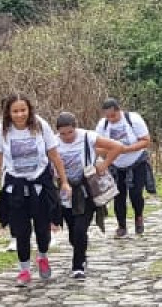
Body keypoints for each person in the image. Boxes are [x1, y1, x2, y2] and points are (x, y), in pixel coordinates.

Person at [0, 94, 73, 286]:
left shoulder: (40, 125)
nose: (20, 114)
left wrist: (64, 181)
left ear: (29, 110)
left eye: (23, 110)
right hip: (16, 186)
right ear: (8, 113)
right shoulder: (2, 130)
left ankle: (42, 256)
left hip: (40, 184)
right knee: (21, 231)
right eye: (15, 111)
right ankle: (24, 270)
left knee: (42, 228)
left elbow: (54, 155)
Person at [54, 112, 128, 278]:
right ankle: (81, 253)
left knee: (81, 228)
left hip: (87, 188)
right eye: (63, 134)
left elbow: (117, 146)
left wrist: (105, 164)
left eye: (70, 132)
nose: (67, 137)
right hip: (65, 190)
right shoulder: (53, 142)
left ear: (76, 128)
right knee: (72, 231)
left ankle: (78, 266)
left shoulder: (88, 137)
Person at [95, 97, 154, 239]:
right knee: (118, 196)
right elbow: (97, 146)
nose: (111, 119)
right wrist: (112, 152)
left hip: (136, 161)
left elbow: (146, 141)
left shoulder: (133, 119)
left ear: (119, 110)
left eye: (113, 116)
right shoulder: (103, 125)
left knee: (136, 194)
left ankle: (138, 217)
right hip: (115, 164)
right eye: (108, 116)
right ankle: (121, 226)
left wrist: (126, 149)